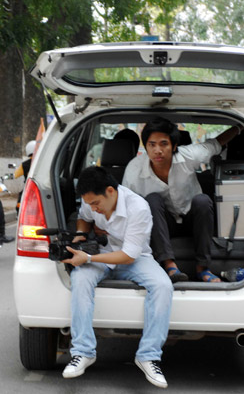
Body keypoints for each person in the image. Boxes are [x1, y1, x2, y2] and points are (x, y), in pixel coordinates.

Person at [61, 166, 173, 388]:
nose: (93, 208)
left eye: (96, 203)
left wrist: (88, 258)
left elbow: (129, 255)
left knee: (163, 286)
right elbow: (83, 217)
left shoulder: (138, 207)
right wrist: (81, 235)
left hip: (135, 258)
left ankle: (148, 356)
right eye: (89, 204)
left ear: (110, 191)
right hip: (102, 253)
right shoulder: (91, 201)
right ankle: (83, 352)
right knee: (80, 279)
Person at [122, 119, 241, 283]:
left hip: (193, 221)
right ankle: (170, 266)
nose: (157, 150)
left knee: (202, 200)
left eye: (164, 144)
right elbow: (125, 206)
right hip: (162, 225)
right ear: (146, 146)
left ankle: (203, 269)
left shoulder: (188, 155)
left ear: (174, 146)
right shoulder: (134, 169)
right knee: (152, 200)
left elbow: (215, 144)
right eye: (152, 145)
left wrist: (241, 126)